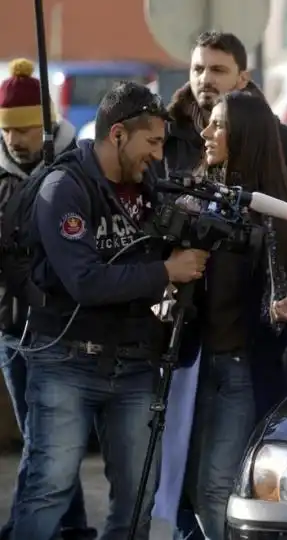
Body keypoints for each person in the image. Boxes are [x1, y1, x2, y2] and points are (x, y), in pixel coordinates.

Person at [11, 81, 209, 540]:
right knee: (49, 489)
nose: (159, 155)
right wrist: (167, 271)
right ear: (118, 134)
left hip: (136, 363)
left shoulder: (151, 189)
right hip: (65, 362)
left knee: (138, 496)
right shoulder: (64, 188)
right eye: (153, 142)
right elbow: (86, 281)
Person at [176, 91, 287, 539]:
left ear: (246, 135)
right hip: (194, 366)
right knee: (185, 489)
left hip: (247, 368)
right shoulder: (197, 199)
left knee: (215, 488)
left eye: (218, 125)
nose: (206, 133)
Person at [162, 31, 287, 301]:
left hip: (258, 312)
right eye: (198, 69)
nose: (205, 79)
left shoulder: (280, 140)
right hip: (186, 316)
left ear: (243, 77)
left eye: (218, 70)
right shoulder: (166, 139)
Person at [0, 58, 93, 540]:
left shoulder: (73, 169)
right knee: (41, 437)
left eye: (28, 129)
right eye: (9, 130)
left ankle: (27, 525)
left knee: (46, 440)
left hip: (59, 328)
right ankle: (72, 526)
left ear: (47, 125)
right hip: (12, 330)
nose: (17, 140)